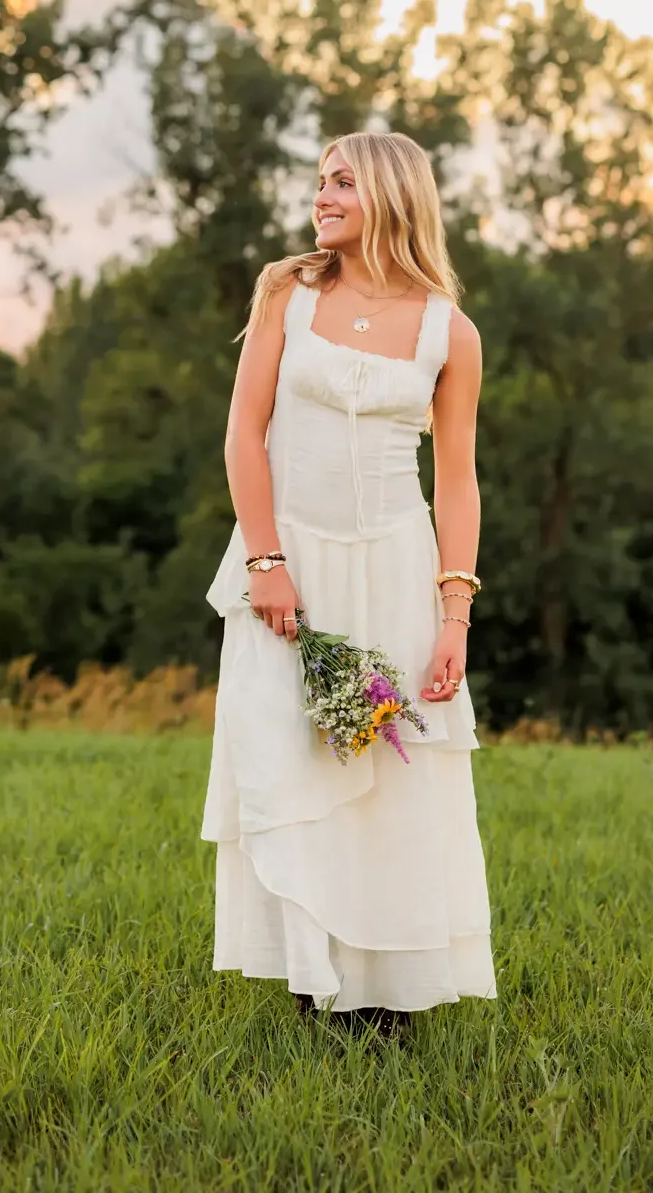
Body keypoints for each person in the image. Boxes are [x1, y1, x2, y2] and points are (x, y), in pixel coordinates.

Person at [199, 129, 496, 1034]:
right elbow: (243, 435)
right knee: (287, 759)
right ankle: (309, 978)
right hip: (287, 565)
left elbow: (456, 477)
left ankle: (387, 1001)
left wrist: (454, 616)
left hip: (398, 571)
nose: (321, 196)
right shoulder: (287, 293)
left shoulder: (451, 330)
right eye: (319, 180)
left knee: (393, 778)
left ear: (390, 196)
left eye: (340, 183)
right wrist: (266, 564)